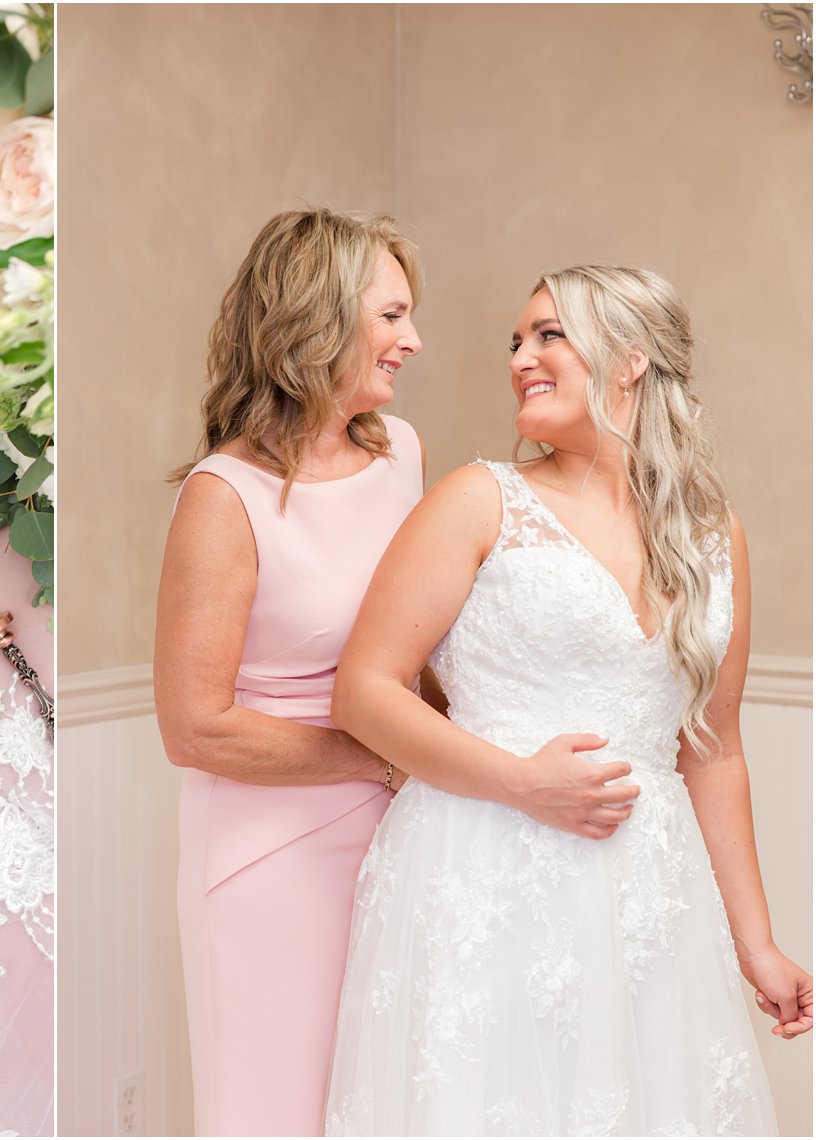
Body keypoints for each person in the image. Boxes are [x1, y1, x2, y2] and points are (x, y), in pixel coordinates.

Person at [324, 265, 812, 1135]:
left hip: (649, 888)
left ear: (630, 361)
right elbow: (364, 691)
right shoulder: (479, 501)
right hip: (482, 868)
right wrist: (519, 781)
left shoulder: (714, 536)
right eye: (517, 341)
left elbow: (714, 746)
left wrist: (756, 942)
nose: (521, 358)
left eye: (549, 334)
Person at [153, 207, 427, 1136]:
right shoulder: (223, 497)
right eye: (391, 316)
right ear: (321, 317)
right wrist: (381, 758)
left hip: (405, 837)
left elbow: (413, 647)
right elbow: (195, 726)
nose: (412, 340)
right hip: (269, 856)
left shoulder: (402, 459)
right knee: (272, 1111)